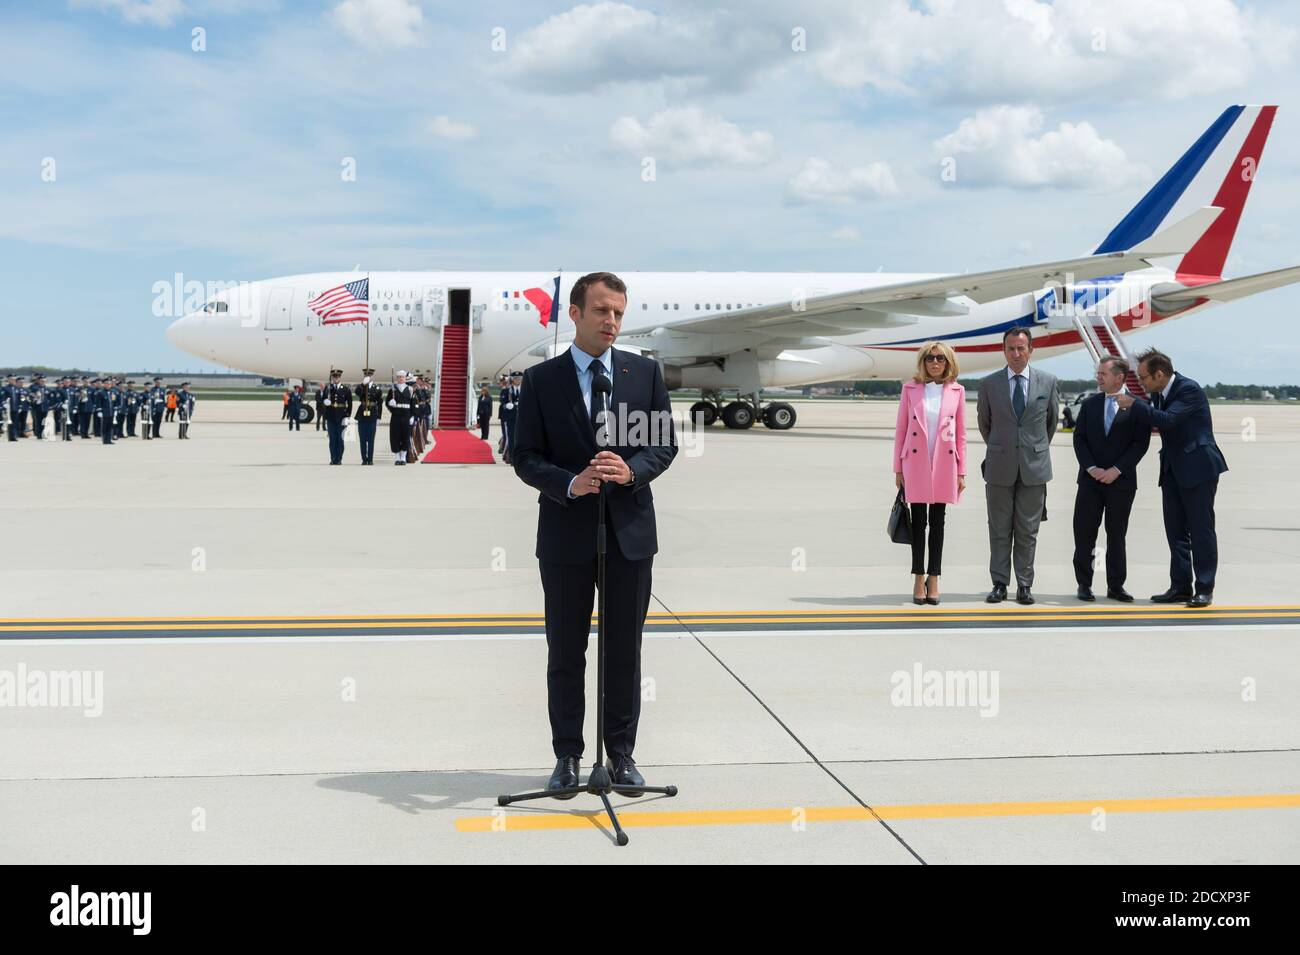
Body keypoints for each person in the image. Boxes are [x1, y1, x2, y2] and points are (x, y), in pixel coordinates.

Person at [512, 271, 678, 797]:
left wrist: (632, 471)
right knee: (565, 650)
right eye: (603, 311)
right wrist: (569, 482)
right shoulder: (542, 380)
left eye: (619, 313)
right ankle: (566, 756)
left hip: (629, 534)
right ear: (576, 314)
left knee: (624, 650)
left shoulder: (643, 373)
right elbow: (524, 455)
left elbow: (662, 444)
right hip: (565, 535)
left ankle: (621, 754)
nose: (612, 321)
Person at [1115, 348, 1227, 608]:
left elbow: (1167, 421)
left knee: (1201, 531)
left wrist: (1136, 404)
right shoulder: (1158, 393)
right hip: (1173, 470)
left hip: (1198, 469)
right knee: (1175, 532)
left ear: (1160, 374)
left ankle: (1204, 588)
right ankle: (1180, 587)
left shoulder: (1189, 390)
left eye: (1144, 377)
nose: (1141, 382)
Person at [977, 327, 1059, 605]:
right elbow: (985, 424)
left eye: (1020, 348)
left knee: (1027, 530)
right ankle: (999, 583)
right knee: (999, 529)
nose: (1015, 353)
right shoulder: (989, 384)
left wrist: (1030, 449)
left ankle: (1025, 584)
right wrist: (1004, 448)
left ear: (1030, 350)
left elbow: (1050, 423)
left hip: (1034, 467)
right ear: (1004, 351)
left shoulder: (1047, 382)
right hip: (999, 466)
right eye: (1010, 348)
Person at [893, 341, 967, 605]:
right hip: (915, 462)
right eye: (930, 358)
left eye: (940, 359)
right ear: (923, 362)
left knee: (938, 522)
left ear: (948, 363)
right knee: (918, 522)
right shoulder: (910, 389)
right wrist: (897, 467)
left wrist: (961, 471)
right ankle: (918, 575)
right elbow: (901, 429)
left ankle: (934, 576)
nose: (935, 363)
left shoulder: (957, 391)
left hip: (945, 464)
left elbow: (961, 434)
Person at [1071, 357, 1150, 602]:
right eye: (1098, 373)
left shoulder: (1137, 406)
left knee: (1116, 535)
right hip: (1090, 481)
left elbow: (1140, 444)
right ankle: (1084, 584)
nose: (1098, 377)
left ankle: (1116, 585)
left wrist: (1117, 469)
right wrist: (1091, 467)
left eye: (1103, 373)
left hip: (1121, 482)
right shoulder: (1089, 404)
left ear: (1119, 377)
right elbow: (1079, 439)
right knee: (1084, 534)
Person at [354, 369, 383, 465]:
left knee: (371, 439)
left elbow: (380, 403)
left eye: (369, 375)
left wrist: (379, 417)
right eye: (366, 375)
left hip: (372, 415)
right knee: (362, 439)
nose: (368, 376)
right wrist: (363, 384)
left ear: (372, 376)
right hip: (362, 415)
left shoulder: (377, 389)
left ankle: (370, 459)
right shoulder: (362, 386)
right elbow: (357, 392)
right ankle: (364, 459)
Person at [385, 370, 415, 465]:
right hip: (396, 415)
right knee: (395, 436)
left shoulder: (410, 389)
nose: (401, 379)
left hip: (406, 415)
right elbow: (387, 402)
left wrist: (412, 416)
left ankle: (403, 458)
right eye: (399, 377)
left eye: (402, 377)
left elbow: (413, 404)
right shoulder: (393, 389)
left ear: (405, 379)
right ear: (397, 378)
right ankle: (397, 457)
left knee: (405, 436)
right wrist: (390, 404)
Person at [322, 371, 351, 463]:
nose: (336, 379)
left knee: (340, 439)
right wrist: (325, 401)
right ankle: (333, 458)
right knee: (332, 440)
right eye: (334, 377)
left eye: (337, 377)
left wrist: (348, 416)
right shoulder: (328, 388)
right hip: (331, 416)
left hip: (341, 417)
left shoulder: (345, 389)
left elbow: (349, 404)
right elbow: (323, 399)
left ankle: (339, 458)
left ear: (340, 377)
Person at [499, 372, 520, 464]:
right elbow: (502, 402)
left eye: (519, 378)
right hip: (511, 418)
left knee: (521, 438)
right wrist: (507, 405)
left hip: (522, 418)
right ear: (513, 380)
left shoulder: (526, 389)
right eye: (516, 379)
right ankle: (512, 457)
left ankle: (521, 458)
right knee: (511, 438)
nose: (517, 380)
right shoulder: (507, 390)